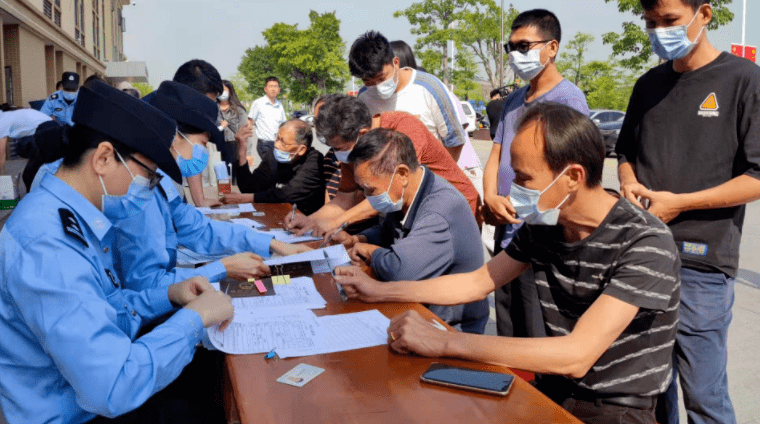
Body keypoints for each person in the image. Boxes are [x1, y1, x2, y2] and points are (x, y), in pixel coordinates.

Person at [337, 103, 681, 424]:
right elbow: (477, 282)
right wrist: (377, 291)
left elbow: (576, 355)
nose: (514, 190)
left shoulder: (645, 242)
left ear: (573, 176)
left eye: (524, 178)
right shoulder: (546, 225)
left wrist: (442, 341)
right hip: (554, 389)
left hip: (614, 408)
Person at [0, 80, 235, 424]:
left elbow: (105, 310)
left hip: (88, 394)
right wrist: (195, 319)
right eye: (148, 177)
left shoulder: (72, 216)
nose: (149, 190)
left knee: (211, 382)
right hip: (79, 411)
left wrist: (169, 295)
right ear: (103, 158)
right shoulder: (47, 243)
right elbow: (111, 387)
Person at [616, 1, 760, 422]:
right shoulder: (648, 85)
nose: (659, 31)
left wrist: (680, 203)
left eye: (670, 21)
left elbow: (756, 176)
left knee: (704, 396)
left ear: (705, 14)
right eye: (651, 23)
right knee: (650, 392)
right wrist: (627, 180)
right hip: (641, 257)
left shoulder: (743, 80)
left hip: (702, 263)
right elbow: (625, 151)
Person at [484, 9, 589, 340]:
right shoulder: (514, 99)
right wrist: (490, 197)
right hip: (507, 231)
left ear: (552, 48)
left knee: (536, 331)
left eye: (524, 46)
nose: (516, 55)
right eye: (511, 47)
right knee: (508, 326)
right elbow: (497, 154)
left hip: (543, 235)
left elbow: (573, 174)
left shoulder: (568, 99)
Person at [333, 128, 489, 334]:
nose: (367, 196)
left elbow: (399, 270)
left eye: (371, 189)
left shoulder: (440, 210)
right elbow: (387, 229)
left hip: (448, 327)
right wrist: (357, 238)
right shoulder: (408, 193)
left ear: (402, 174)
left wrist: (367, 250)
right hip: (415, 311)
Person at [285, 95, 480, 238]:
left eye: (340, 148)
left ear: (362, 134)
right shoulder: (352, 149)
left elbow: (388, 193)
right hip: (411, 215)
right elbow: (344, 198)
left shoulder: (404, 129)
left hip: (454, 210)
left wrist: (336, 222)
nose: (338, 155)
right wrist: (312, 220)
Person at [350, 31, 466, 162]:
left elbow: (454, 140)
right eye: (369, 82)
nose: (377, 86)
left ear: (396, 63)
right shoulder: (364, 96)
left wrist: (437, 177)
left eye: (381, 78)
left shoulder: (429, 87)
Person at [222, 119, 325, 215]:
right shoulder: (273, 156)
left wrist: (247, 198)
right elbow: (249, 188)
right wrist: (242, 150)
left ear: (301, 149)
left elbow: (288, 193)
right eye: (277, 138)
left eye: (283, 142)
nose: (276, 145)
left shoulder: (315, 161)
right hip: (277, 216)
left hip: (306, 221)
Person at [167, 59, 234, 207]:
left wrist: (200, 199)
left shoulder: (193, 113)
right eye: (205, 101)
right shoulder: (153, 113)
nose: (207, 108)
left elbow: (191, 147)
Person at [248, 76, 287, 169]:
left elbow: (284, 125)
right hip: (264, 144)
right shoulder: (258, 103)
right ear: (265, 89)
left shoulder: (280, 105)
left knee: (279, 169)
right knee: (271, 167)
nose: (273, 89)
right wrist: (247, 149)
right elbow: (250, 121)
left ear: (279, 89)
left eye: (275, 86)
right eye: (271, 86)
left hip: (278, 144)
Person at [0, 107, 51, 175]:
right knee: (30, 173)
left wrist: (1, 178)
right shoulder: (6, 116)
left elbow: (1, 155)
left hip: (48, 130)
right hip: (47, 129)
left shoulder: (2, 122)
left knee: (31, 173)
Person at [218, 80, 249, 182]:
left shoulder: (238, 110)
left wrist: (247, 152)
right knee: (219, 178)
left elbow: (244, 131)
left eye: (224, 90)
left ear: (230, 91)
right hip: (215, 146)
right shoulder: (212, 108)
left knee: (234, 177)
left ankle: (234, 195)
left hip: (233, 145)